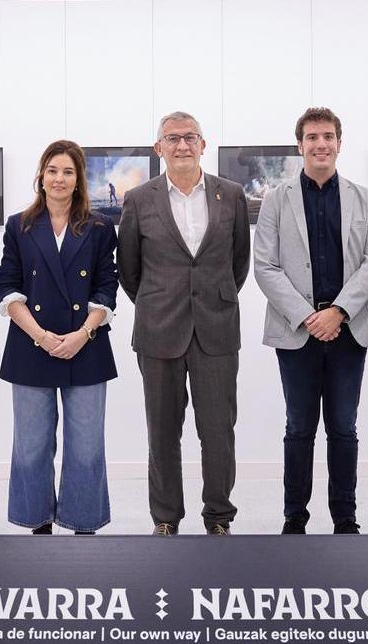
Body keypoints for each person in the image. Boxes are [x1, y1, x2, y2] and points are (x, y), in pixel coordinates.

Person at [253, 107, 368, 535]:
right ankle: (295, 517)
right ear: (300, 145)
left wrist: (339, 311)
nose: (321, 144)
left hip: (348, 331)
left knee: (344, 428)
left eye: (328, 136)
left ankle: (345, 518)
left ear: (340, 143)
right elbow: (265, 267)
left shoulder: (363, 197)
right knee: (299, 428)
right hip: (299, 333)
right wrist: (310, 317)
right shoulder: (276, 198)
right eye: (312, 137)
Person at [118, 111, 250, 536]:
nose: (181, 145)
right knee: (162, 432)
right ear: (159, 148)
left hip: (217, 329)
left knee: (217, 431)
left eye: (190, 137)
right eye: (172, 138)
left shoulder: (230, 195)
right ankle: (166, 518)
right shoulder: (139, 199)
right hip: (159, 331)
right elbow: (129, 272)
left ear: (203, 145)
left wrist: (211, 298)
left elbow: (238, 263)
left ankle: (218, 516)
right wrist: (159, 304)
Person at [0, 140, 118, 535]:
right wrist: (42, 335)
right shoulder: (19, 225)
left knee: (85, 447)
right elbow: (8, 288)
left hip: (87, 346)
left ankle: (83, 525)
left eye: (68, 171)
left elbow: (106, 288)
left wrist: (82, 334)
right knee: (31, 447)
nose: (59, 178)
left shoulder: (99, 227)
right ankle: (38, 524)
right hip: (31, 345)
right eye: (52, 170)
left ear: (79, 178)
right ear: (41, 176)